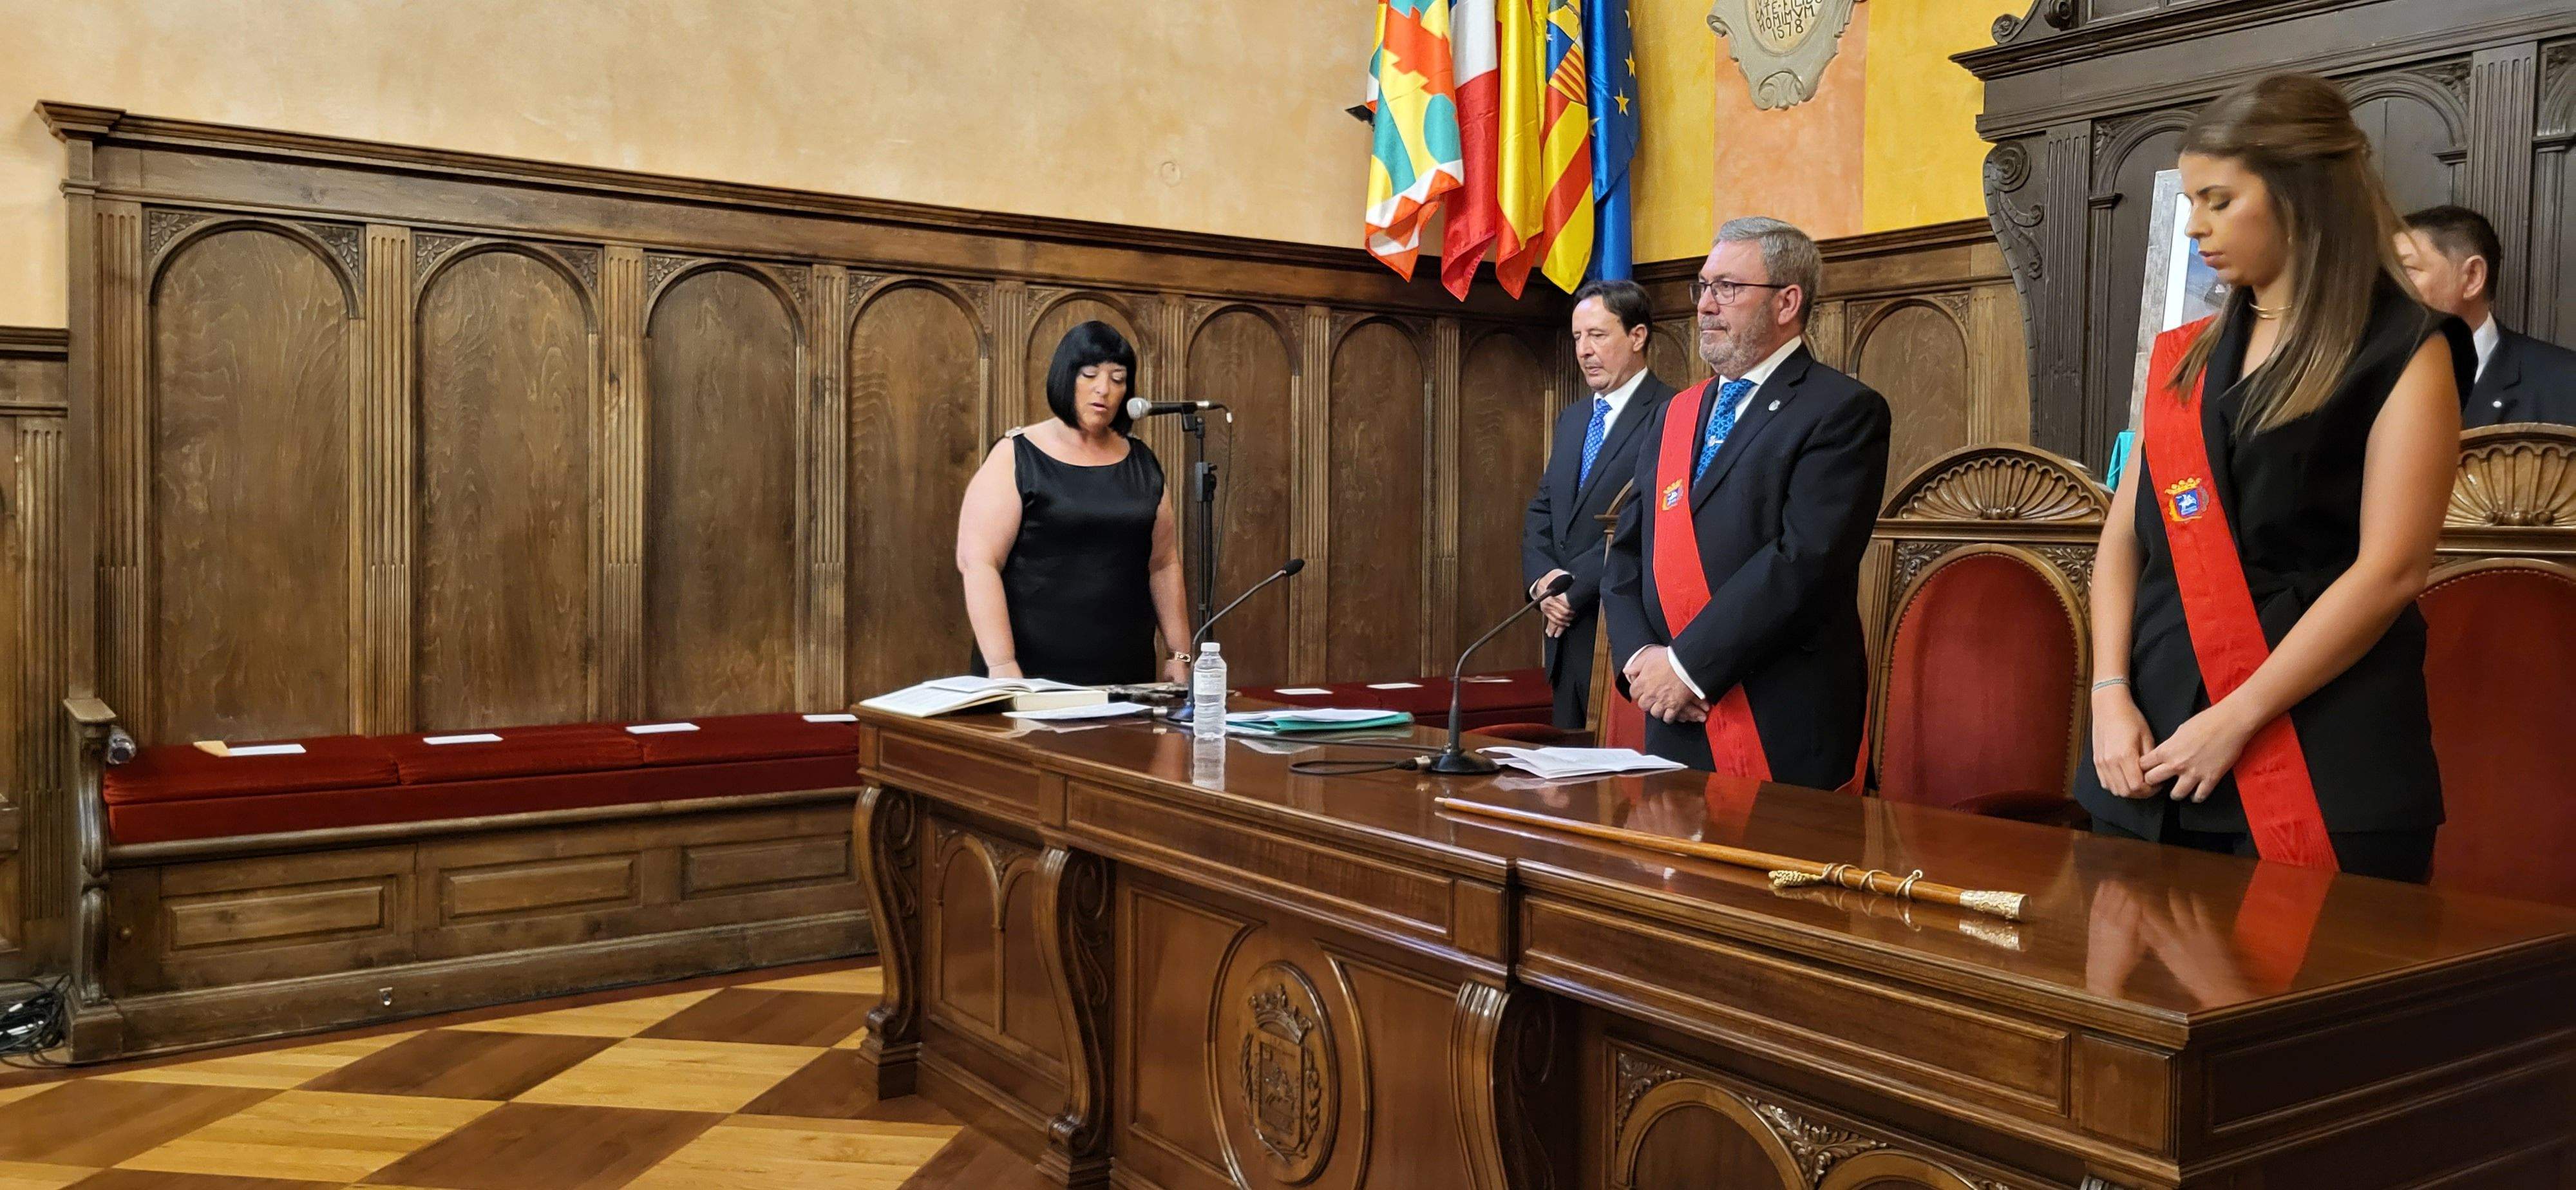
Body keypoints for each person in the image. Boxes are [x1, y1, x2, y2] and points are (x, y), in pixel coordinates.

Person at [2080, 73, 2472, 880]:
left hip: (2319, 751)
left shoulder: (2404, 348)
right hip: (2147, 749)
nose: (2196, 228)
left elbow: (2391, 570)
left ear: (2297, 192)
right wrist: (2107, 692)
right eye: (2191, 203)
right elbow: (2122, 541)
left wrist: (2237, 718)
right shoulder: (2184, 358)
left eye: (2218, 200)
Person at [1601, 217, 1890, 788]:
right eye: (1703, 287)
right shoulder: (1675, 412)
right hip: (1672, 713)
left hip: (1775, 712)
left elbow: (1803, 562)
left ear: (1787, 302)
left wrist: (1686, 668)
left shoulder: (1842, 410)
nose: (1706, 305)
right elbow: (1628, 548)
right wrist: (1641, 665)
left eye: (1728, 288)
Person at [956, 321, 1193, 688]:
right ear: (1065, 377)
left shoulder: (1142, 462)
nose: (1104, 389)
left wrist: (1178, 653)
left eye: (1118, 379)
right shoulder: (1017, 454)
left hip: (1125, 675)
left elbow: (1163, 564)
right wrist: (1003, 666)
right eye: (1090, 375)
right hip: (1029, 674)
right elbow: (978, 562)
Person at [1522, 279, 1673, 729]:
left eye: (1598, 335)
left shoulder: (1672, 412)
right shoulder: (1573, 418)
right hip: (1563, 633)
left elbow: (1645, 521)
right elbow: (1543, 512)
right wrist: (1542, 587)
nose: (1584, 350)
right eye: (1577, 338)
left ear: (1638, 337)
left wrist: (1574, 587)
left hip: (1620, 633)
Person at [2396, 204, 2576, 428]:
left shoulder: (2565, 383)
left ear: (2472, 277)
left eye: (2405, 270)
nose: (2390, 288)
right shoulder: (2366, 378)